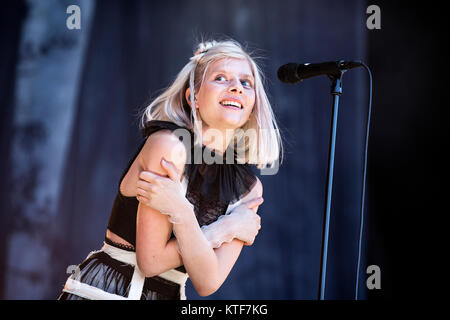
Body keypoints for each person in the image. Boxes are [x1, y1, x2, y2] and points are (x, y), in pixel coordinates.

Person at [58, 38, 283, 300]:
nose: (236, 88)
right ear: (194, 97)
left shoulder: (249, 188)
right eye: (221, 78)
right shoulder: (168, 146)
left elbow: (208, 281)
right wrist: (224, 227)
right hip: (107, 292)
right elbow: (150, 261)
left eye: (246, 83)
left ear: (253, 104)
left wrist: (181, 210)